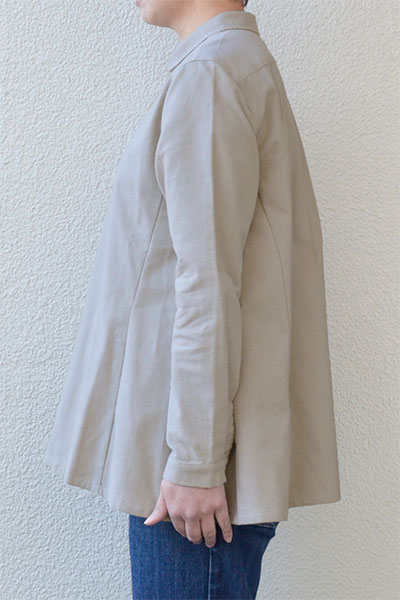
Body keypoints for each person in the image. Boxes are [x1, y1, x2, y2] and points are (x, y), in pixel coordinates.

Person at [43, 1, 341, 598]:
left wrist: (197, 464)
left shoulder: (212, 74)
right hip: (189, 457)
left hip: (190, 475)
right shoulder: (225, 66)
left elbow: (205, 281)